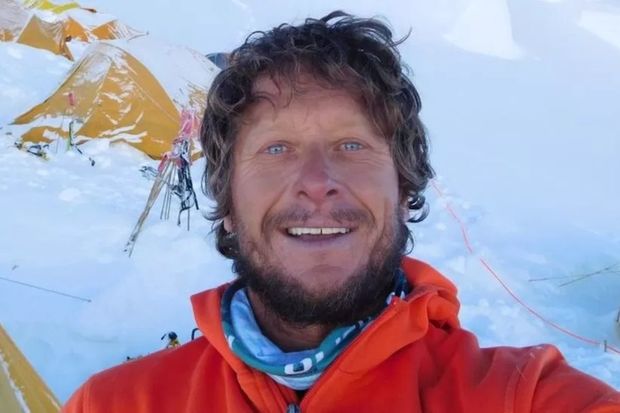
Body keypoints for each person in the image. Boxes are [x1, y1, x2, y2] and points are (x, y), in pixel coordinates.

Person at [63, 11, 620, 413]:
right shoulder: (115, 404)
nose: (316, 183)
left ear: (404, 188)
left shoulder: (521, 396)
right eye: (276, 149)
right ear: (227, 203)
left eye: (352, 145)